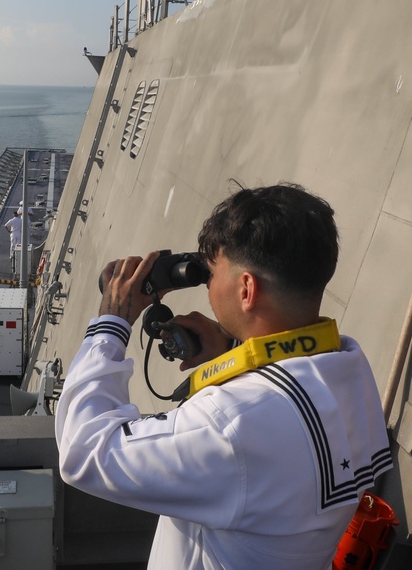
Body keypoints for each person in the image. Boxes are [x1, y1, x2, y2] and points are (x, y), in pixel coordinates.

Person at [55, 183, 392, 569]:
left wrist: (111, 323)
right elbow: (285, 419)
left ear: (247, 288)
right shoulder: (349, 367)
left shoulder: (231, 425)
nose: (208, 286)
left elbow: (84, 449)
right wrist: (234, 353)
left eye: (211, 273)